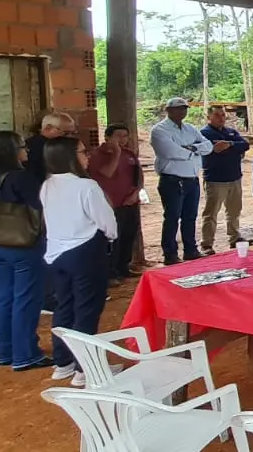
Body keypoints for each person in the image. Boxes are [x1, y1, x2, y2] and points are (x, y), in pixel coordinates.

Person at [40, 137, 119, 386]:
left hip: (57, 253)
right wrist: (110, 237)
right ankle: (86, 369)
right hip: (85, 250)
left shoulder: (47, 185)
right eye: (83, 152)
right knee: (87, 308)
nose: (87, 156)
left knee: (65, 306)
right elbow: (106, 221)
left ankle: (63, 362)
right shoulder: (87, 186)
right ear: (70, 157)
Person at [0, 130, 50, 371]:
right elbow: (38, 208)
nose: (26, 150)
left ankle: (6, 351)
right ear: (11, 151)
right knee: (26, 300)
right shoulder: (21, 178)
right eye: (21, 146)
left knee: (5, 297)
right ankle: (26, 354)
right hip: (23, 245)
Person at [149, 98, 213, 264]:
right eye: (177, 109)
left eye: (184, 109)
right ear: (168, 110)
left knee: (190, 217)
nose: (182, 112)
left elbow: (208, 146)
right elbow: (170, 152)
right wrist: (194, 151)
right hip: (172, 180)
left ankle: (190, 250)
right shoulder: (159, 130)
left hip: (191, 179)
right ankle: (170, 254)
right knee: (172, 217)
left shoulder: (190, 128)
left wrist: (192, 148)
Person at [87, 124, 142, 281]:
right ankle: (110, 273)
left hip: (129, 202)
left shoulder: (129, 154)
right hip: (110, 204)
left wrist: (136, 192)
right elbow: (106, 173)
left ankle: (123, 267)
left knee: (128, 235)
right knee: (112, 239)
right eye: (118, 136)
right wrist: (116, 154)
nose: (123, 139)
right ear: (107, 137)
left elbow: (138, 176)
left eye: (125, 136)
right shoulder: (96, 155)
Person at [198, 106, 250, 253]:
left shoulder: (231, 132)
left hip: (234, 178)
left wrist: (230, 144)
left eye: (223, 115)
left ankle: (235, 238)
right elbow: (214, 150)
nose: (221, 118)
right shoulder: (204, 134)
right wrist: (234, 149)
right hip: (215, 179)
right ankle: (207, 243)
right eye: (217, 115)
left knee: (234, 211)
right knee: (211, 212)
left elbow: (245, 144)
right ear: (209, 117)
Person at [25, 112, 75, 180]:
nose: (70, 137)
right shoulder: (42, 147)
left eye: (73, 133)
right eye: (65, 133)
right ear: (48, 128)